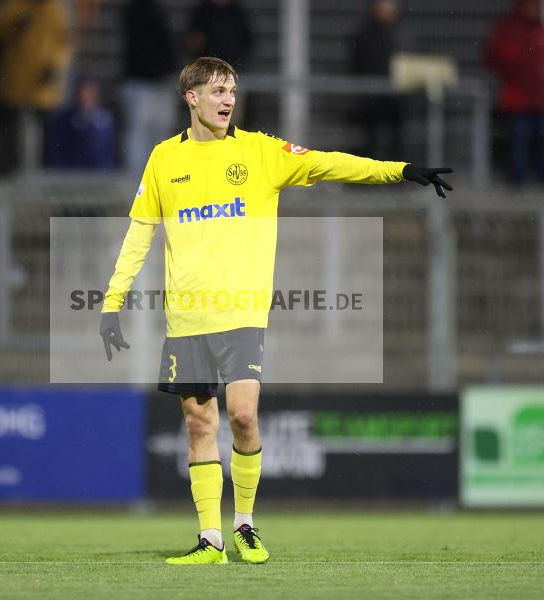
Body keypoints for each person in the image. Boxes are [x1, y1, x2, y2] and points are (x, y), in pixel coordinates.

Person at [98, 57, 452, 565]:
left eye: (232, 91)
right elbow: (138, 235)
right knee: (200, 427)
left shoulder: (262, 152)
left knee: (242, 415)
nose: (227, 100)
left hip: (242, 312)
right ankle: (210, 540)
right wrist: (112, 302)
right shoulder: (162, 160)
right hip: (188, 318)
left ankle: (243, 523)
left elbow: (330, 162)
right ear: (191, 97)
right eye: (217, 90)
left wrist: (399, 171)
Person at [0, 0, 73, 174]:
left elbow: (63, 44)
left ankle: (40, 181)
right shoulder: (14, 7)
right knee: (12, 142)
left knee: (43, 143)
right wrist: (15, 26)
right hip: (14, 87)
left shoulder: (54, 11)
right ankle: (11, 178)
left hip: (42, 90)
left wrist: (54, 66)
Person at [484, 0, 544, 187]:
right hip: (519, 101)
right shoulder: (511, 29)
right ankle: (517, 189)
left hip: (540, 100)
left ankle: (543, 187)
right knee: (519, 148)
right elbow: (498, 57)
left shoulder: (541, 29)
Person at [120, 0, 177, 177]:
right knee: (139, 134)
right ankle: (136, 182)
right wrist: (158, 70)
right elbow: (142, 47)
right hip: (141, 83)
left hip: (158, 83)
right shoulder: (136, 12)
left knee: (159, 134)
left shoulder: (155, 12)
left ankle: (157, 181)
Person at [349, 0, 407, 160]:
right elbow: (358, 64)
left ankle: (397, 176)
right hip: (371, 98)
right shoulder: (365, 34)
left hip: (394, 98)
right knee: (370, 140)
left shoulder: (400, 33)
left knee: (396, 141)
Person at [44, 77, 116, 169]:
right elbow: (59, 148)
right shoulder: (65, 119)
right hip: (72, 171)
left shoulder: (106, 119)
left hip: (101, 171)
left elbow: (109, 150)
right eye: (84, 93)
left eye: (91, 94)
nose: (87, 97)